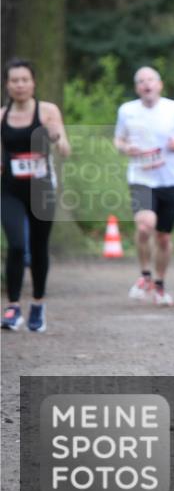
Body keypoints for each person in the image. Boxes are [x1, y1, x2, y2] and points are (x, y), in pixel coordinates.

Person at [114, 66, 174, 307]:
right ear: (136, 87)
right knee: (145, 225)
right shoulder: (127, 111)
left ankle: (159, 284)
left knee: (163, 237)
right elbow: (118, 139)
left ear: (159, 84)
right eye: (141, 81)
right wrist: (125, 147)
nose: (146, 84)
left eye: (150, 79)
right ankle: (144, 275)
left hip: (170, 179)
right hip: (140, 178)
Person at [1, 58, 71, 332]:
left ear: (33, 83)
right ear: (7, 85)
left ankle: (38, 305)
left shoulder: (47, 111)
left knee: (40, 248)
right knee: (17, 245)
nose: (20, 85)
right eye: (14, 80)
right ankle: (13, 307)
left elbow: (65, 149)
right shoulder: (1, 116)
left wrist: (56, 138)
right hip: (10, 191)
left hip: (42, 190)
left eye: (24, 80)